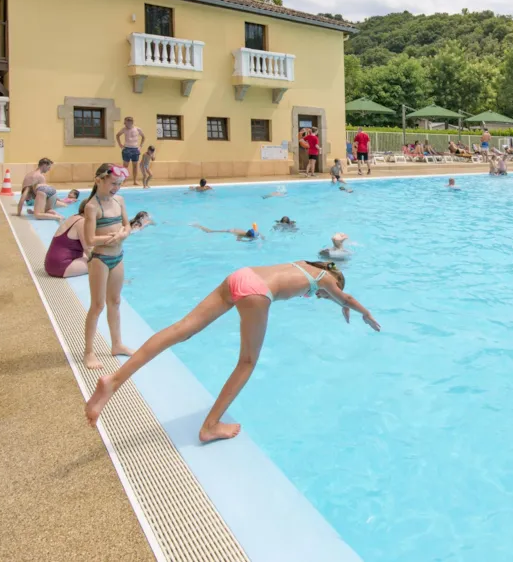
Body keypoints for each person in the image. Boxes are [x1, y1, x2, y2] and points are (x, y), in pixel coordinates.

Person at [85, 260, 380, 442]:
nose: (320, 296)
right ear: (334, 279)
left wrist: (338, 303)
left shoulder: (305, 265)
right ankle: (210, 425)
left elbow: (322, 290)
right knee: (247, 362)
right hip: (257, 294)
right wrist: (362, 312)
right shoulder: (328, 280)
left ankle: (113, 381)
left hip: (241, 276)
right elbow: (343, 294)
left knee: (182, 328)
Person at [82, 164, 133, 370]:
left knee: (115, 301)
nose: (116, 188)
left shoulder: (119, 201)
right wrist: (111, 238)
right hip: (100, 260)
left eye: (119, 184)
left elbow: (127, 225)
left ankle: (117, 344)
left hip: (118, 257)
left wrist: (124, 234)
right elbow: (90, 239)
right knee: (97, 305)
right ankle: (88, 352)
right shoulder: (92, 206)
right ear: (99, 181)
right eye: (113, 183)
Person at [44, 210, 88, 278]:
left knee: (87, 256)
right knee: (99, 264)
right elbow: (89, 249)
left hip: (50, 264)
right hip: (62, 266)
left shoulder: (74, 217)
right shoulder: (82, 222)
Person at [115, 117, 145, 186]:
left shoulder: (137, 129)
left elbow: (143, 137)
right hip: (127, 149)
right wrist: (120, 144)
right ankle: (123, 181)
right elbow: (117, 135)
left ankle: (135, 181)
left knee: (135, 166)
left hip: (135, 149)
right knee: (125, 166)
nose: (124, 124)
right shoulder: (124, 129)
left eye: (125, 122)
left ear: (131, 122)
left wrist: (140, 146)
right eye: (124, 122)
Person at [192, 223, 264, 241]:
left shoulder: (248, 233)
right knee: (209, 231)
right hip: (230, 231)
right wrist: (246, 241)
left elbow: (258, 232)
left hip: (234, 229)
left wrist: (262, 236)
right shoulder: (241, 235)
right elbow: (238, 240)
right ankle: (198, 226)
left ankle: (198, 225)